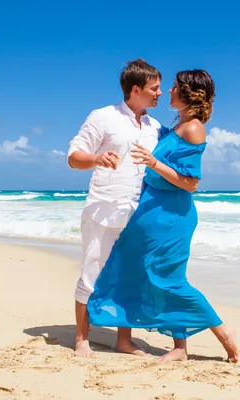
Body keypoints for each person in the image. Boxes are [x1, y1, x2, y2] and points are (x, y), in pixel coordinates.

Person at [86, 69, 239, 363]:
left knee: (170, 281)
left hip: (171, 217)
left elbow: (191, 182)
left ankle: (223, 333)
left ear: (188, 92)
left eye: (173, 87)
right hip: (151, 212)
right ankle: (178, 348)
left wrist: (154, 162)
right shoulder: (175, 126)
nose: (167, 92)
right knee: (137, 271)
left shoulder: (193, 128)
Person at [67, 59, 163, 357]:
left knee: (130, 276)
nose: (159, 93)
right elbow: (73, 157)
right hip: (103, 210)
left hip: (137, 214)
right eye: (154, 88)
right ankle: (82, 338)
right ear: (136, 89)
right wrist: (96, 159)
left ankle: (124, 340)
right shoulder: (103, 117)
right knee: (92, 273)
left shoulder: (155, 127)